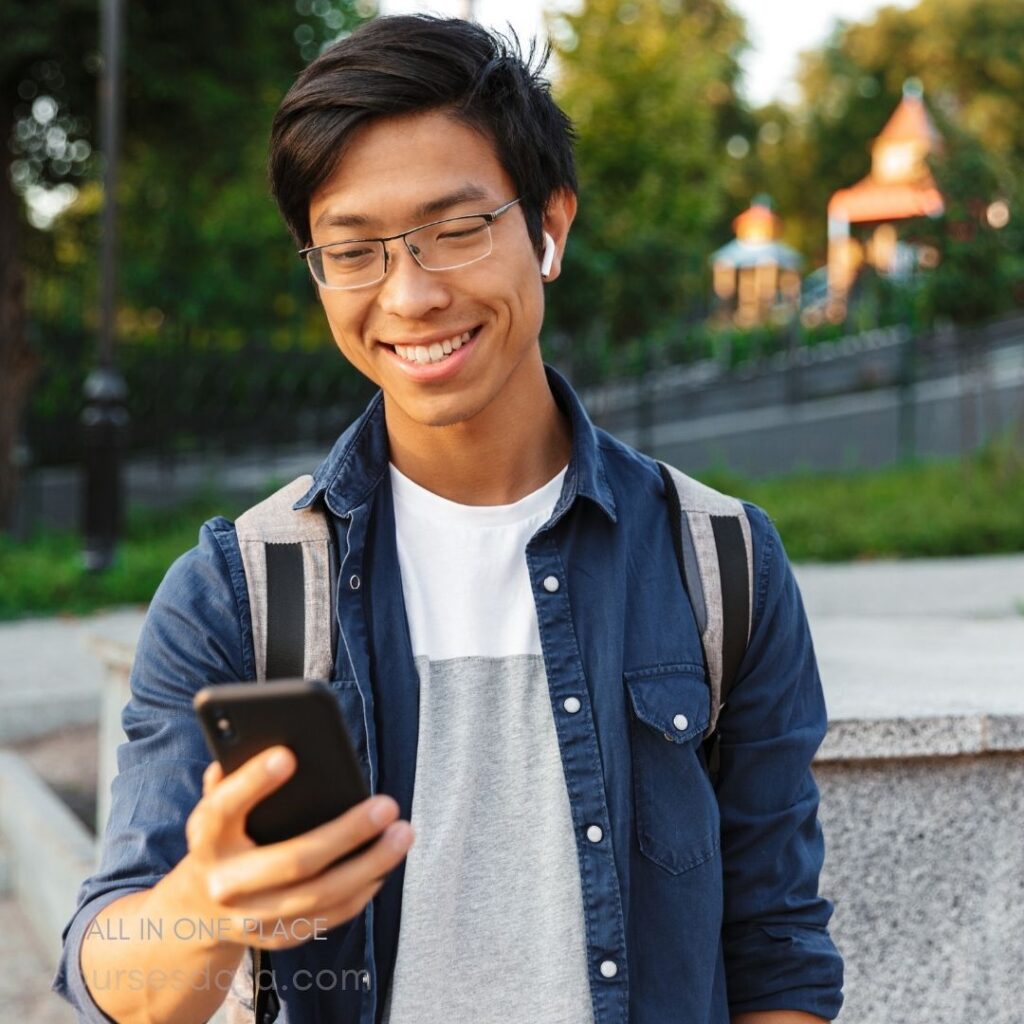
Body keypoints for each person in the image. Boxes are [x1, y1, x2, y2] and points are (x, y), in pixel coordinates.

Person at [54, 15, 843, 1024]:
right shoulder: (236, 591)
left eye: (456, 229)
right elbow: (110, 971)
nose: (411, 293)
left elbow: (776, 949)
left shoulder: (721, 562)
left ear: (549, 224)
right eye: (354, 251)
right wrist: (205, 904)